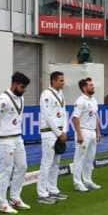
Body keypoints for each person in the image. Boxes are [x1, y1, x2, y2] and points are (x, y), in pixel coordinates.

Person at [0, 72, 31, 213]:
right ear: (14, 84)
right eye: (22, 87)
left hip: (17, 137)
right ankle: (1, 203)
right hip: (4, 139)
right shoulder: (4, 99)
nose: (23, 90)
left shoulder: (21, 98)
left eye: (25, 87)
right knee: (6, 170)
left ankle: (15, 197)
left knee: (22, 166)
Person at [37, 71, 69, 203]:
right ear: (54, 81)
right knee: (47, 163)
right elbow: (47, 116)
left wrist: (65, 130)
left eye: (63, 80)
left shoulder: (61, 94)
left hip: (60, 132)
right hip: (49, 132)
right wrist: (58, 132)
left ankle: (53, 189)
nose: (63, 82)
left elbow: (64, 113)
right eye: (61, 80)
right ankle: (42, 193)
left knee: (56, 163)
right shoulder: (46, 94)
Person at [71, 78, 102, 192]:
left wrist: (98, 131)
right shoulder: (80, 101)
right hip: (83, 131)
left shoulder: (94, 100)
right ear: (84, 88)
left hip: (92, 131)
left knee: (90, 158)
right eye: (90, 85)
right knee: (79, 158)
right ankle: (77, 182)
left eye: (93, 85)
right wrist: (79, 134)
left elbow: (96, 116)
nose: (93, 87)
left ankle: (88, 180)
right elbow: (75, 118)